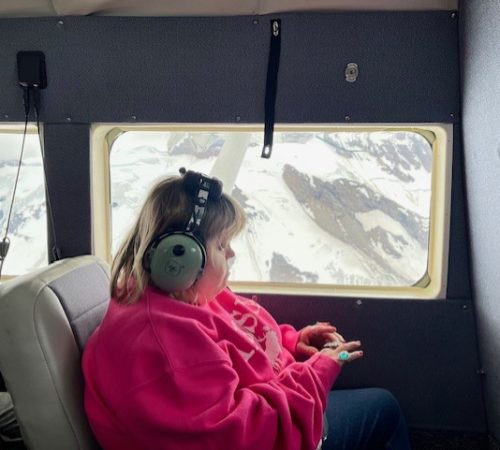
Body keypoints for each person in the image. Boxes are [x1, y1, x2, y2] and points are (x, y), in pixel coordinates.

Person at [82, 169, 411, 450]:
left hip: (277, 401)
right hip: (265, 432)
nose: (233, 255)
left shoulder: (188, 295)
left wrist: (291, 343)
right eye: (222, 245)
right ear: (180, 256)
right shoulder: (161, 345)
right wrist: (317, 372)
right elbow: (237, 437)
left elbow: (240, 336)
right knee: (385, 408)